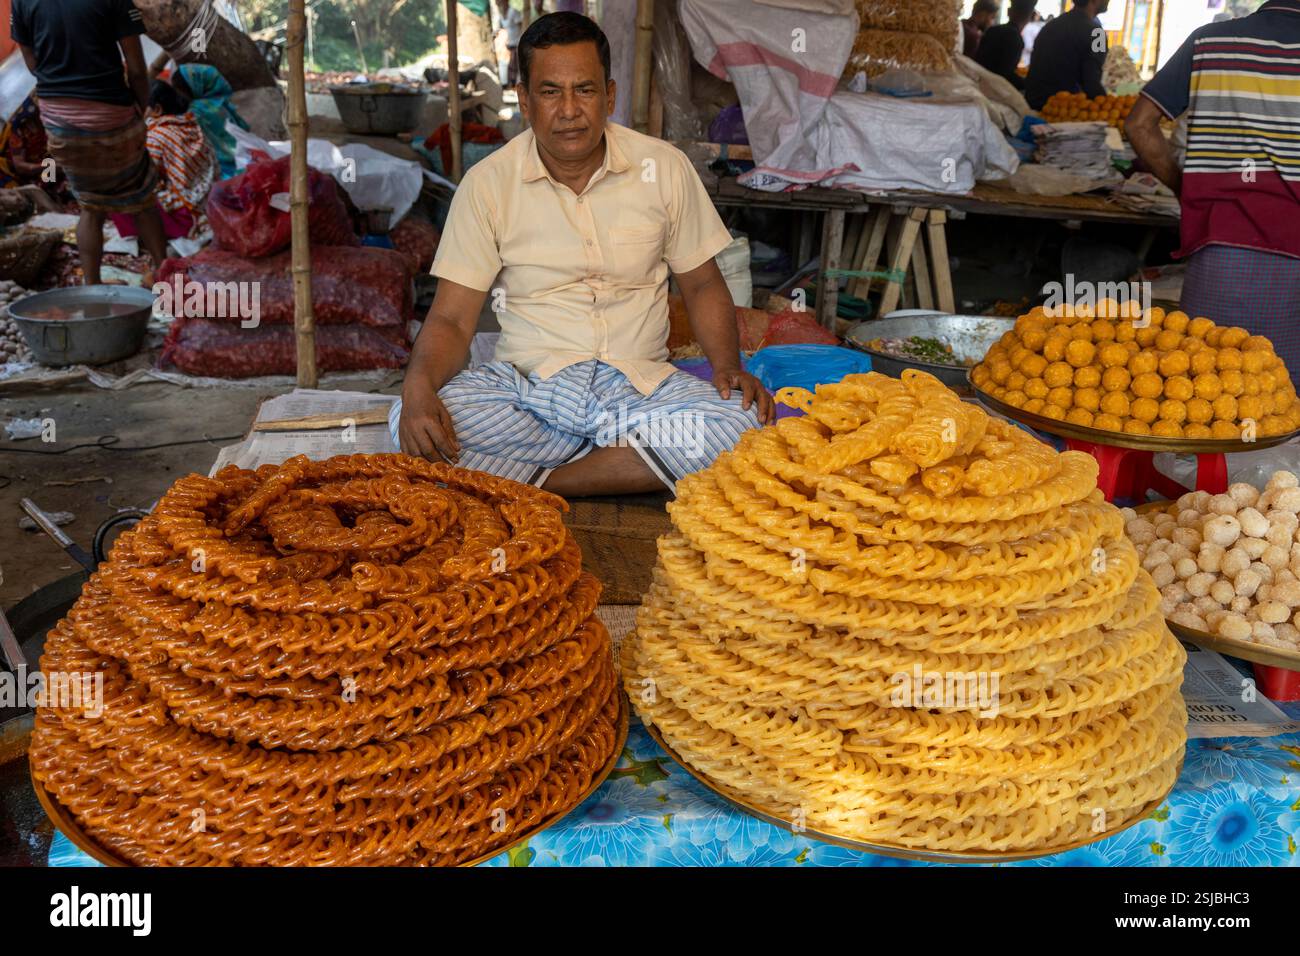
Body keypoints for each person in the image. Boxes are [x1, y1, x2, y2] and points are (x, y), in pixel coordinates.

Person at [393, 12, 772, 497]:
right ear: (524, 101)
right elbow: (451, 319)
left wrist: (726, 369)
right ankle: (628, 465)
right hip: (531, 394)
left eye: (585, 90)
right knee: (419, 421)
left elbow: (700, 283)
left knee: (744, 424)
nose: (569, 109)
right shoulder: (488, 185)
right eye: (550, 92)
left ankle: (546, 486)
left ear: (609, 96)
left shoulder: (662, 167)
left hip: (640, 388)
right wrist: (417, 390)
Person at [1125, 0, 1300, 379]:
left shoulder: (1211, 41)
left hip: (1220, 247)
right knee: (1283, 401)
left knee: (1203, 387)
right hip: (1294, 252)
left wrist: (1182, 187)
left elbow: (1139, 125)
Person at [9, 0, 165, 285]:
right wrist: (139, 110)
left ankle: (92, 288)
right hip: (112, 115)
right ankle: (166, 273)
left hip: (59, 122)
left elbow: (32, 62)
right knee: (143, 200)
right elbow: (137, 68)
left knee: (90, 209)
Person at [110, 80, 217, 242]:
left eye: (138, 108)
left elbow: (139, 178)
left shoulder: (156, 135)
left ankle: (143, 236)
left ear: (157, 110)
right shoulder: (191, 125)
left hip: (186, 217)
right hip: (210, 206)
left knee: (116, 192)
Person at [1024, 0, 1109, 111]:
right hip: (1066, 109)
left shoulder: (1051, 25)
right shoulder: (1098, 34)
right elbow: (1092, 83)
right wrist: (1108, 105)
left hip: (1036, 104)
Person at [171, 65, 249, 180]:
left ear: (194, 87)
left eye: (180, 91)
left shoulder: (197, 111)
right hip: (244, 158)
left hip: (225, 171)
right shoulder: (219, 102)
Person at [974, 0, 1037, 90]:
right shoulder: (1015, 38)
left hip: (977, 84)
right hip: (992, 91)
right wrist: (1028, 83)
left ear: (1008, 12)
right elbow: (1005, 75)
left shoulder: (993, 30)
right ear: (1031, 16)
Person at [497, 0, 525, 86]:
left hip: (516, 43)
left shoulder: (513, 12)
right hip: (507, 44)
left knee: (516, 65)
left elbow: (521, 26)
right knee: (508, 65)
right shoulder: (501, 14)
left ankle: (516, 85)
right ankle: (509, 84)